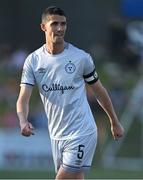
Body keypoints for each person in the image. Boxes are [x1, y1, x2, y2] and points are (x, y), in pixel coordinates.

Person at [16, 6, 124, 180]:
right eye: (54, 24)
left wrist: (114, 121)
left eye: (63, 24)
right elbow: (23, 98)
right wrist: (22, 121)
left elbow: (99, 91)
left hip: (82, 132)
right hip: (57, 135)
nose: (60, 28)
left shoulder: (81, 58)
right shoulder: (33, 61)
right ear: (43, 27)